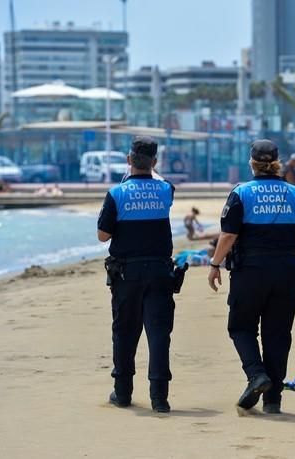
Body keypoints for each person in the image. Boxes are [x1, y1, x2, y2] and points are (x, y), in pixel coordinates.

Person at [207, 139, 295, 415]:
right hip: (287, 271)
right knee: (278, 334)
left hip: (251, 271)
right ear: (278, 162)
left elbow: (229, 235)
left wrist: (215, 264)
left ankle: (257, 375)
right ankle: (273, 400)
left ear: (252, 162)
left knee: (241, 327)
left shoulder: (241, 193)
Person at [97, 136, 177, 413]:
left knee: (124, 333)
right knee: (158, 335)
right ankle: (159, 398)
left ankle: (122, 393)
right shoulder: (166, 189)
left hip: (126, 273)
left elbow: (102, 235)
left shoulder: (117, 193)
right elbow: (161, 181)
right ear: (155, 162)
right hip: (159, 271)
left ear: (128, 160)